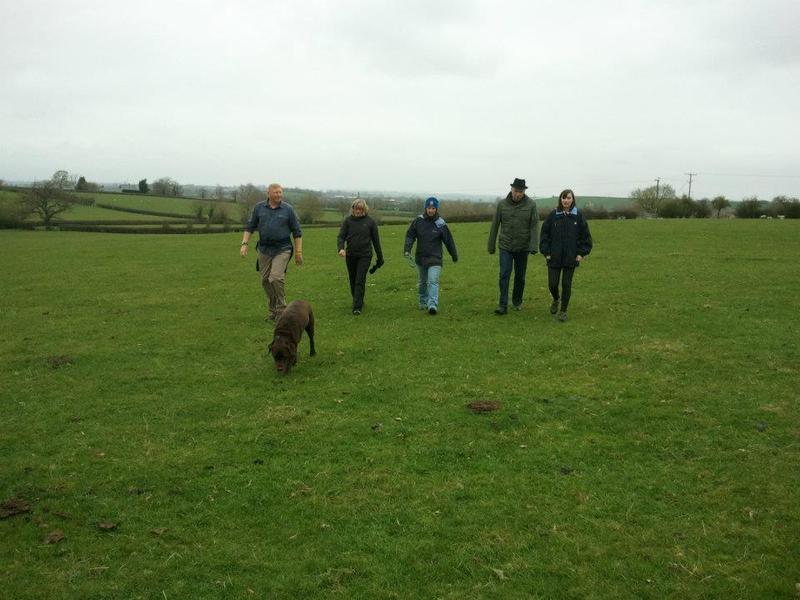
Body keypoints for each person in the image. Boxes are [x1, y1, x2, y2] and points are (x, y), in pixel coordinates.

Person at [240, 183, 303, 321]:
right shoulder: (259, 208)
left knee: (275, 278)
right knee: (265, 280)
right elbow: (250, 227)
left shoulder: (288, 210)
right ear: (268, 193)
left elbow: (297, 232)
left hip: (283, 248)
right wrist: (244, 243)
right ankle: (273, 310)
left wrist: (298, 252)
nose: (279, 195)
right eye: (276, 192)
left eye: (280, 192)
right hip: (264, 249)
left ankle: (282, 310)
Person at [539, 189, 593, 322]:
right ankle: (556, 299)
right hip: (554, 257)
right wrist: (546, 252)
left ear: (573, 199)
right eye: (564, 198)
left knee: (566, 284)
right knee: (552, 284)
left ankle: (563, 311)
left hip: (571, 257)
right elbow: (544, 234)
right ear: (560, 199)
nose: (566, 200)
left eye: (569, 198)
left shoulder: (578, 216)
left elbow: (585, 237)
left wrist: (581, 253)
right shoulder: (553, 215)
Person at [487, 178, 539, 315]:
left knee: (520, 277)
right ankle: (502, 305)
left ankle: (517, 301)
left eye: (520, 192)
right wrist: (491, 245)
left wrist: (534, 245)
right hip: (505, 246)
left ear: (524, 191)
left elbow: (534, 225)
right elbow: (495, 225)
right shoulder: (502, 205)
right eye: (516, 191)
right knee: (504, 274)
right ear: (511, 189)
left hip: (523, 247)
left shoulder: (531, 205)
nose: (518, 194)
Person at [404, 197, 458, 315]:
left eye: (433, 208)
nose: (431, 210)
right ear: (425, 208)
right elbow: (410, 235)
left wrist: (454, 254)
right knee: (423, 282)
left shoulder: (441, 224)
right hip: (421, 258)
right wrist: (407, 249)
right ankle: (423, 301)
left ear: (436, 209)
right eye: (429, 208)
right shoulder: (418, 221)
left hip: (435, 258)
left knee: (433, 281)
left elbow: (448, 240)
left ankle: (432, 304)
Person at [337, 199, 384, 315]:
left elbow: (376, 241)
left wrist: (380, 257)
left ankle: (357, 307)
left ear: (364, 209)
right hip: (351, 255)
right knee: (353, 280)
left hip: (365, 255)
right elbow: (341, 237)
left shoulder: (370, 222)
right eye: (356, 209)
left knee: (360, 280)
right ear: (352, 209)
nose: (358, 211)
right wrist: (341, 248)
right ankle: (358, 300)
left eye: (360, 209)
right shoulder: (347, 221)